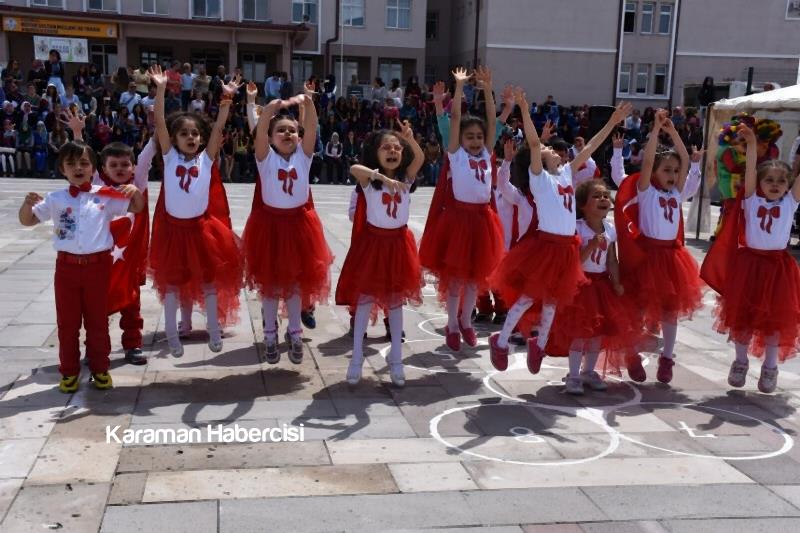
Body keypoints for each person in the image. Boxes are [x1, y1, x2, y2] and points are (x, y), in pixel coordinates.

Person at [489, 92, 631, 374]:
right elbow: (532, 142)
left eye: (553, 151)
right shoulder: (539, 179)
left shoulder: (566, 172)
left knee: (553, 302)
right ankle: (501, 341)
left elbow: (591, 146)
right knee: (529, 297)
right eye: (546, 151)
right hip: (547, 247)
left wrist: (612, 121)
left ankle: (538, 345)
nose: (553, 151)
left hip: (567, 247)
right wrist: (526, 112)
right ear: (536, 161)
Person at [18, 141, 144, 392]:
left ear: (93, 168)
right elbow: (28, 220)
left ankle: (100, 368)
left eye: (84, 163)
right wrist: (26, 204)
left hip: (98, 267)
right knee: (67, 323)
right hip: (66, 269)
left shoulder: (105, 195)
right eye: (71, 164)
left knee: (97, 321)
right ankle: (69, 372)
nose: (78, 168)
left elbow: (136, 208)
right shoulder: (56, 198)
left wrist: (134, 192)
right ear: (62, 169)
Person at [147, 64, 244, 356]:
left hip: (202, 231)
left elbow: (218, 128)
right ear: (175, 139)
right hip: (174, 232)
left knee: (209, 282)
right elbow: (160, 123)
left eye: (194, 134)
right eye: (184, 134)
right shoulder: (169, 156)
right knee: (173, 286)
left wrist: (226, 100)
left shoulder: (207, 159)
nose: (190, 138)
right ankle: (173, 336)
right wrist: (161, 89)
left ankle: (213, 330)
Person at [702, 124, 800, 393]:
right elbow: (751, 168)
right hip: (749, 266)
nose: (776, 185)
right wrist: (753, 143)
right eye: (770, 180)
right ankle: (740, 361)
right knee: (742, 318)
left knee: (774, 321)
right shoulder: (750, 199)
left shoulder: (790, 202)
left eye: (781, 181)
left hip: (777, 269)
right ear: (759, 183)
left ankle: (770, 368)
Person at [242, 81, 333, 364]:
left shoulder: (304, 158)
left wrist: (308, 103)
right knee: (270, 287)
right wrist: (268, 109)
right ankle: (269, 334)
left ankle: (295, 333)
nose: (287, 133)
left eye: (292, 130)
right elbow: (259, 131)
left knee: (294, 286)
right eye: (281, 130)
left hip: (298, 229)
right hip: (270, 229)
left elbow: (313, 129)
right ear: (269, 137)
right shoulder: (265, 159)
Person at [614, 109, 703, 384]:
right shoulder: (646, 191)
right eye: (667, 170)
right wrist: (655, 131)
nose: (673, 175)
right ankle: (631, 353)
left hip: (672, 259)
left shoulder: (678, 193)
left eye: (676, 172)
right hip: (648, 257)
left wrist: (674, 132)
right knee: (639, 309)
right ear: (654, 172)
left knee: (669, 312)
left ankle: (667, 358)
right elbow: (650, 159)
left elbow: (686, 160)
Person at [418, 66, 504, 352]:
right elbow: (455, 118)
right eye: (471, 137)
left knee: (474, 279)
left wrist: (488, 91)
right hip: (458, 221)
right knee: (455, 280)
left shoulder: (488, 153)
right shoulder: (455, 155)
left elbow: (492, 121)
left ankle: (466, 321)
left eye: (479, 137)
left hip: (481, 221)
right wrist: (459, 88)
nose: (477, 141)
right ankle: (452, 324)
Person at [337, 121, 425, 386]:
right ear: (375, 153)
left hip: (399, 246)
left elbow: (419, 157)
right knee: (364, 300)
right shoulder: (369, 181)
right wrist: (380, 177)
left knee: (396, 303)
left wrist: (409, 139)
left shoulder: (407, 179)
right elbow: (354, 168)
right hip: (374, 245)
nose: (393, 151)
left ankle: (396, 359)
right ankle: (356, 359)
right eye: (386, 147)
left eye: (397, 148)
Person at [545, 179, 643, 394]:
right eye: (596, 196)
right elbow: (575, 262)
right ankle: (573, 375)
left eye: (606, 196)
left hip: (601, 286)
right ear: (583, 205)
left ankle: (588, 371)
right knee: (580, 333)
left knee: (598, 333)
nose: (603, 199)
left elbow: (611, 260)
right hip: (581, 286)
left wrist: (616, 282)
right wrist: (590, 245)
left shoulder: (610, 229)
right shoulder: (577, 228)